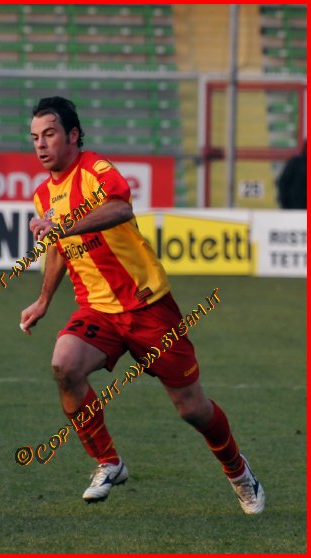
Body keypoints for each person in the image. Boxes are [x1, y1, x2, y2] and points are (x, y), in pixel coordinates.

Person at [20, 96, 265, 514]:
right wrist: (43, 299)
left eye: (50, 134)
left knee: (192, 408)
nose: (41, 145)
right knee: (65, 365)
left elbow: (119, 207)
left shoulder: (96, 171)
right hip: (97, 310)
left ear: (73, 135)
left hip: (148, 306)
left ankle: (239, 473)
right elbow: (59, 246)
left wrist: (64, 226)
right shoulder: (43, 195)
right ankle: (108, 462)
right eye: (34, 137)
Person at [276, 140, 307, 209]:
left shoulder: (295, 162)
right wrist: (284, 202)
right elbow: (283, 182)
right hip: (294, 207)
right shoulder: (296, 162)